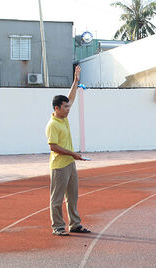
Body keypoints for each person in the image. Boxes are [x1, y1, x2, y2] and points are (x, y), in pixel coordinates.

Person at [45, 65, 91, 236]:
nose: (68, 108)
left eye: (68, 107)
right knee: (56, 199)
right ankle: (57, 226)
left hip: (70, 164)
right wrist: (73, 154)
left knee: (72, 197)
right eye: (65, 107)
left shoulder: (63, 118)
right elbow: (53, 147)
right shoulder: (53, 124)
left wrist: (75, 81)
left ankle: (75, 224)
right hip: (59, 166)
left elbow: (70, 98)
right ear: (57, 108)